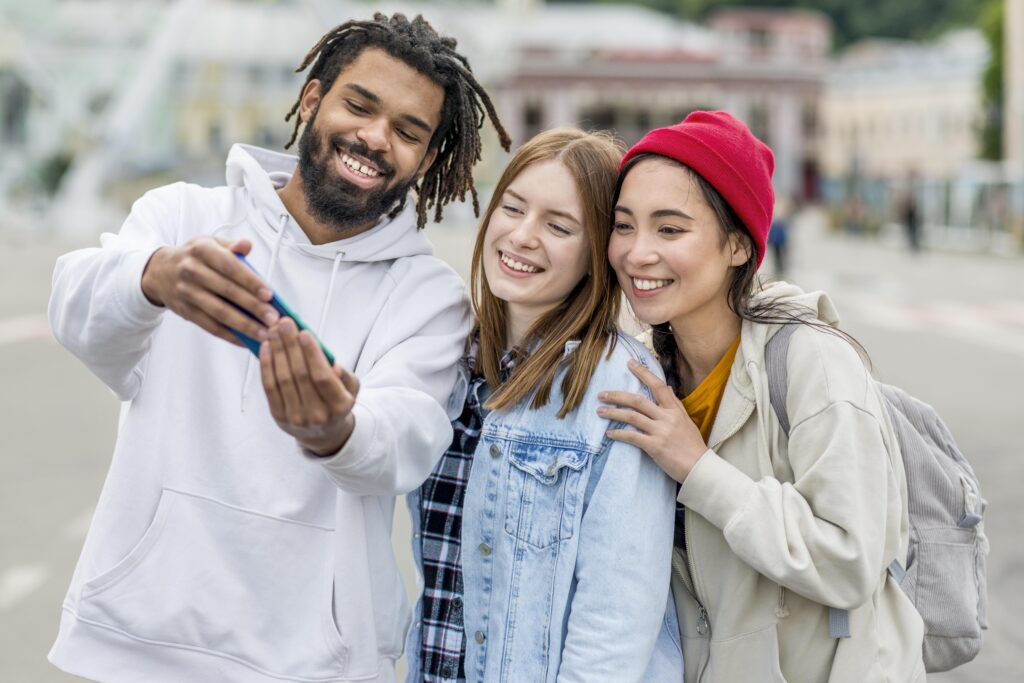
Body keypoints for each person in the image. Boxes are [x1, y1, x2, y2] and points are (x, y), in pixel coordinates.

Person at [46, 13, 508, 683]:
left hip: (316, 663)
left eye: (408, 132)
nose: (375, 137)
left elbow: (406, 438)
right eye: (360, 104)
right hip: (141, 641)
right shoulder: (184, 218)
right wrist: (151, 278)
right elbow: (78, 312)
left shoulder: (429, 297)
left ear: (429, 160)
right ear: (313, 99)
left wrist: (336, 430)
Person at [599, 111, 926, 682]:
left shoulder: (813, 363)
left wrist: (698, 468)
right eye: (624, 225)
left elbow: (850, 561)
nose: (636, 253)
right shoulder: (646, 372)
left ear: (738, 246)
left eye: (670, 230)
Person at [405, 129, 682, 683]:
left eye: (558, 226)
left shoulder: (617, 384)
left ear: (596, 254)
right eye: (512, 208)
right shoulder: (449, 365)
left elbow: (613, 625)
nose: (523, 236)